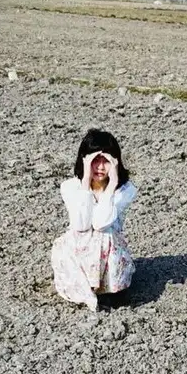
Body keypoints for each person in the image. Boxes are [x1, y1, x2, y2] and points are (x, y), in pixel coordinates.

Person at [51, 129, 138, 312]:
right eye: (94, 160)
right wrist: (85, 184)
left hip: (110, 250)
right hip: (78, 248)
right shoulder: (70, 187)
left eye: (106, 161)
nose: (100, 167)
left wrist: (111, 185)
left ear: (115, 162)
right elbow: (80, 225)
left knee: (103, 234)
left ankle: (108, 289)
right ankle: (88, 286)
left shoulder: (125, 190)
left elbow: (100, 223)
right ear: (84, 161)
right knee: (81, 235)